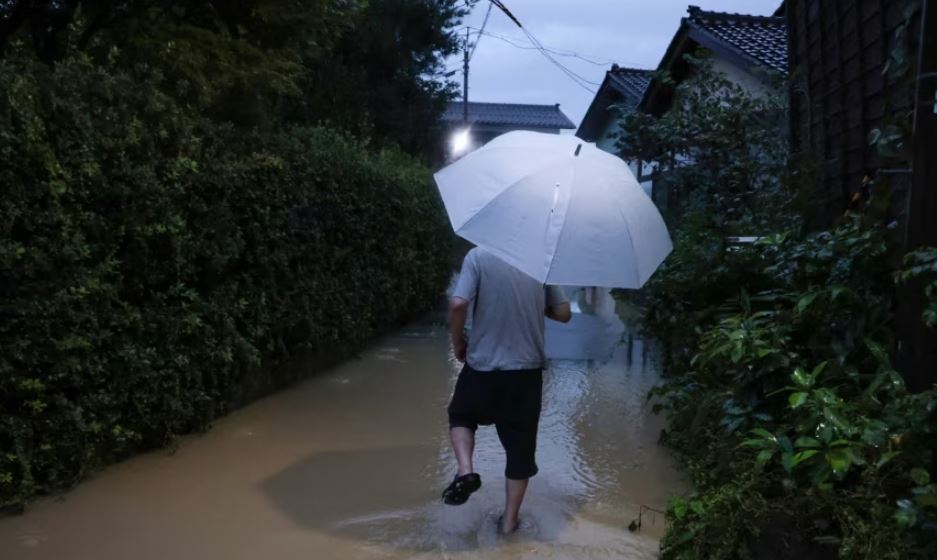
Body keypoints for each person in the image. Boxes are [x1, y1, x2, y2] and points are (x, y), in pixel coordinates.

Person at [441, 247, 571, 534]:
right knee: (520, 450)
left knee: (461, 417)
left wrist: (458, 342)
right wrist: (539, 305)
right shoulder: (542, 259)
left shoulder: (477, 256)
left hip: (482, 367)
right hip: (526, 374)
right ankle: (509, 524)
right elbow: (564, 314)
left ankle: (465, 471)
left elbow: (459, 304)